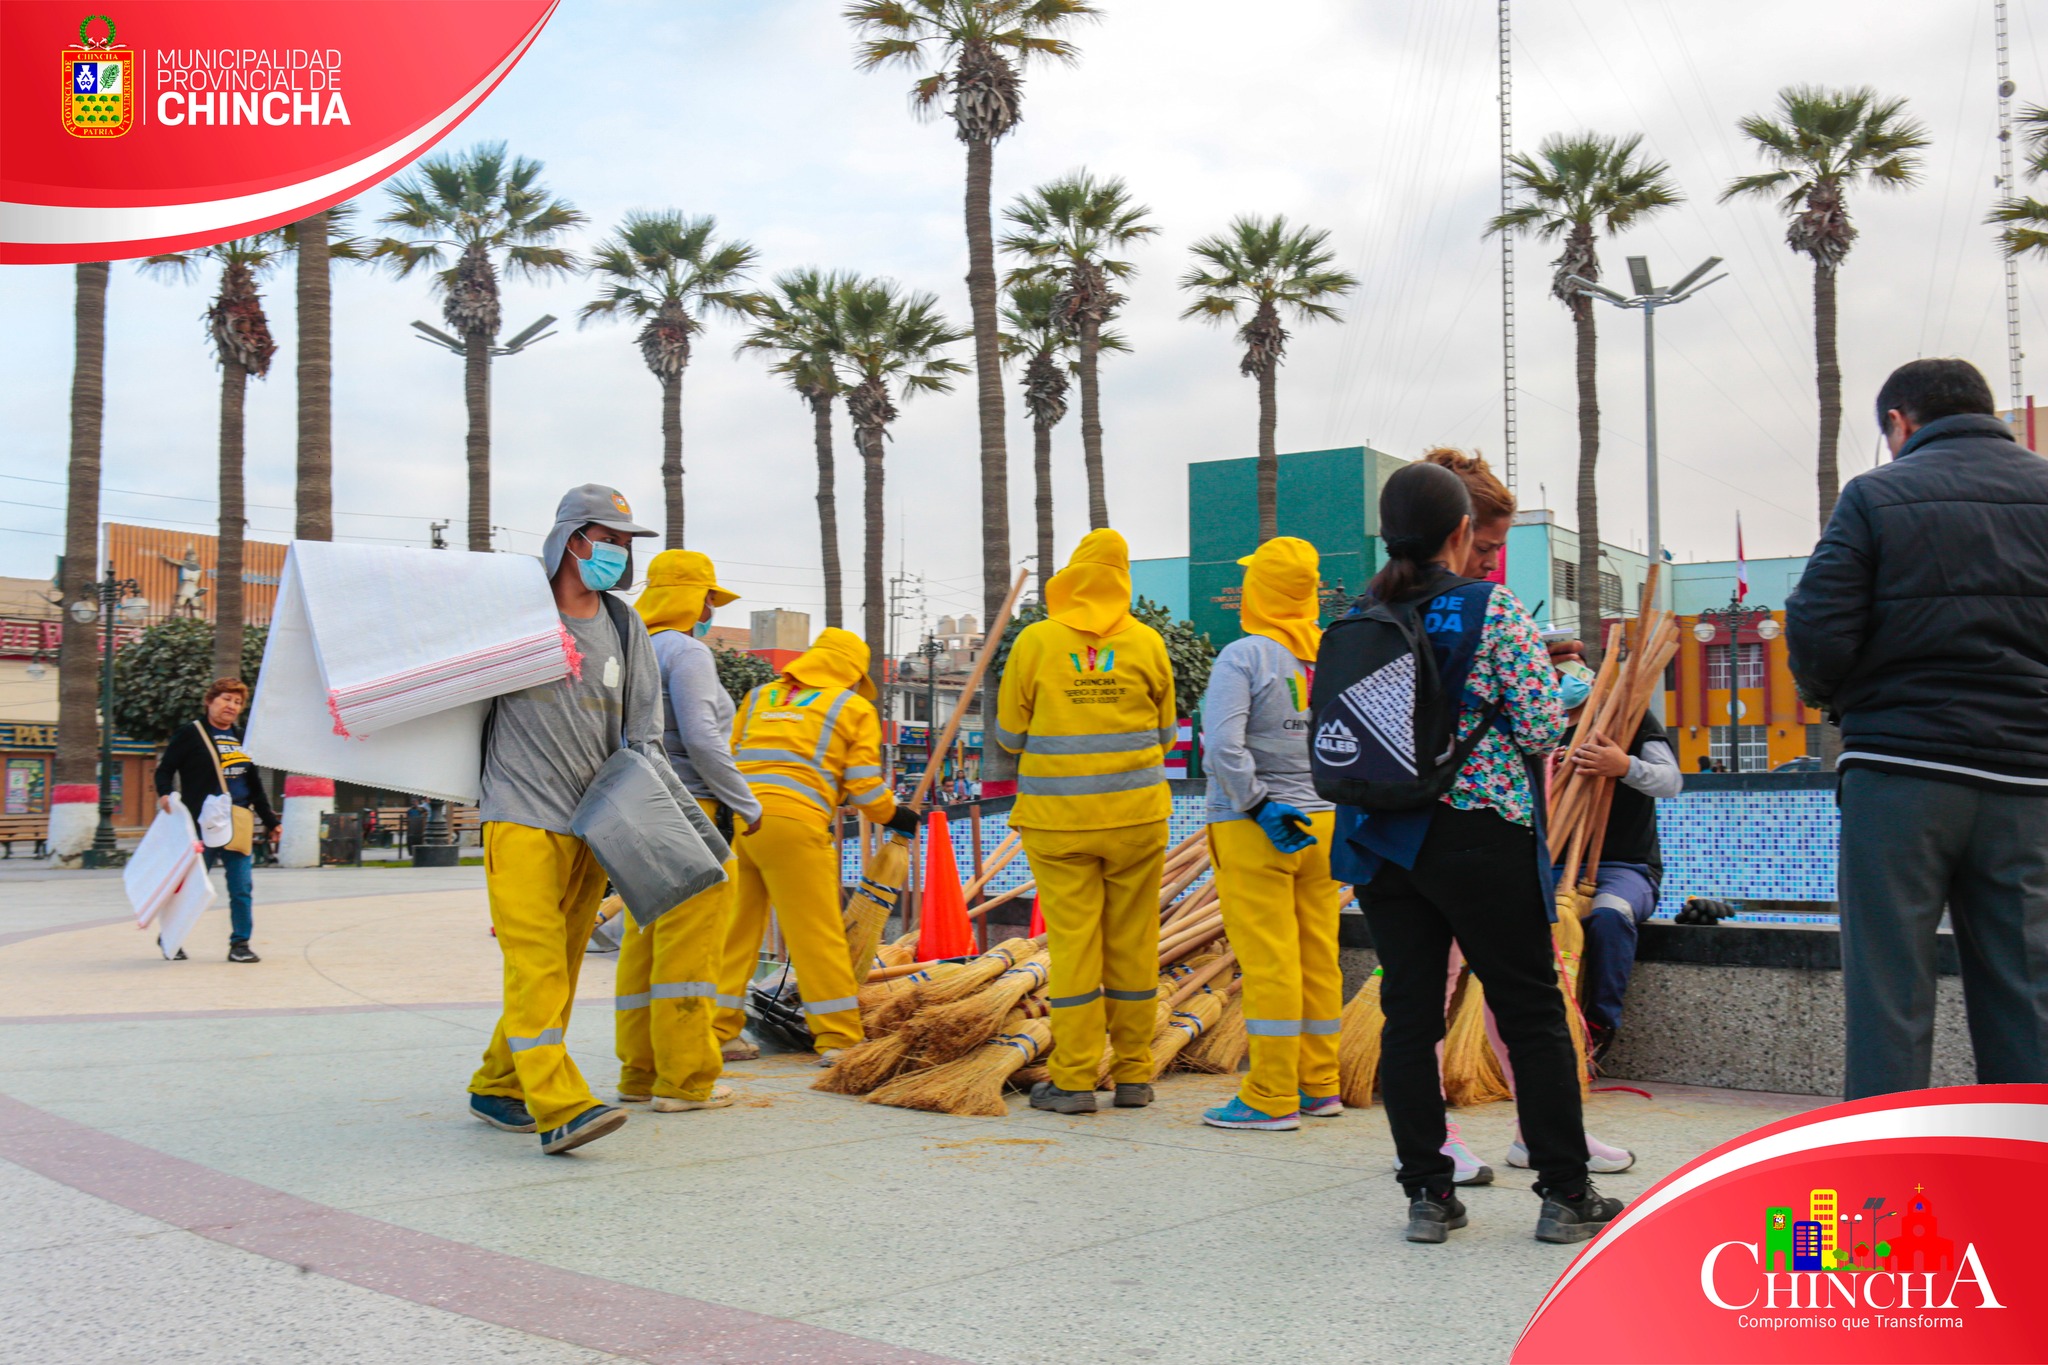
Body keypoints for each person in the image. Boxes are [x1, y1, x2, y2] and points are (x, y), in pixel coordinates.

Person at [1328, 461, 1622, 1245]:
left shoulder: (1362, 610)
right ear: (1461, 533)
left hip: (1383, 842)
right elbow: (1536, 728)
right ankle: (1565, 1191)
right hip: (1478, 835)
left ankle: (1428, 1193)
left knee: (1407, 1015)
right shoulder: (1490, 610)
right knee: (1530, 1010)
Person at [1787, 357, 2048, 1099]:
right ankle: (2031, 1183)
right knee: (2028, 993)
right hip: (2028, 779)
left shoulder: (1875, 494)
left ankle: (1883, 1193)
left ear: (1899, 423)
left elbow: (1817, 627)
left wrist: (1840, 702)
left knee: (1890, 996)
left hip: (1900, 772)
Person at [466, 483, 666, 1157]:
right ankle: (559, 1104)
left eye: (624, 542)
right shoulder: (513, 611)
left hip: (593, 823)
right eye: (606, 538)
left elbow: (645, 731)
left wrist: (645, 818)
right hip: (519, 813)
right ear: (572, 537)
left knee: (563, 964)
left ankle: (497, 1083)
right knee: (538, 960)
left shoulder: (621, 625)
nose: (616, 552)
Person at [995, 529, 1177, 1115]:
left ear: (1073, 575)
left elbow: (1008, 735)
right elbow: (1168, 733)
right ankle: (1132, 1076)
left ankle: (1073, 1081)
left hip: (1059, 824)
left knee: (1075, 947)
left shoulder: (1036, 642)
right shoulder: (1148, 642)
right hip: (1137, 820)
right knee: (1134, 944)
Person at [712, 628, 917, 1066]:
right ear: (850, 674)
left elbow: (728, 756)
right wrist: (894, 816)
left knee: (735, 933)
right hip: (795, 827)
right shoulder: (852, 706)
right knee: (817, 938)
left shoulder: (760, 697)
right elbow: (863, 786)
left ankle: (717, 1029)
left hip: (740, 823)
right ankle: (840, 1039)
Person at [1196, 536, 1343, 1132]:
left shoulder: (1245, 656)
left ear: (1259, 591)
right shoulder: (1332, 653)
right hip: (1326, 824)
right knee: (1318, 955)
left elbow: (1223, 745)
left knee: (1269, 963)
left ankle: (1270, 1095)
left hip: (1258, 826)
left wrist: (1257, 805)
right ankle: (1321, 1084)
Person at [614, 550, 763, 1104]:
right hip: (691, 811)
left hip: (634, 809)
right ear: (687, 597)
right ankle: (686, 1080)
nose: (708, 607)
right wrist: (745, 803)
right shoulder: (687, 651)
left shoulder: (628, 649)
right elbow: (702, 738)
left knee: (643, 941)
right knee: (690, 948)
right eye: (707, 596)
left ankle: (639, 1075)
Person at [154, 677, 274, 963]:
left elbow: (254, 784)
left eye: (237, 702)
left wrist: (270, 820)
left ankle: (240, 944)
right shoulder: (190, 734)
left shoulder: (243, 738)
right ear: (209, 701)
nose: (231, 706)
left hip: (238, 823)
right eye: (225, 699)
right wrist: (165, 794)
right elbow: (165, 769)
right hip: (200, 825)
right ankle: (171, 935)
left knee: (241, 887)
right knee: (192, 887)